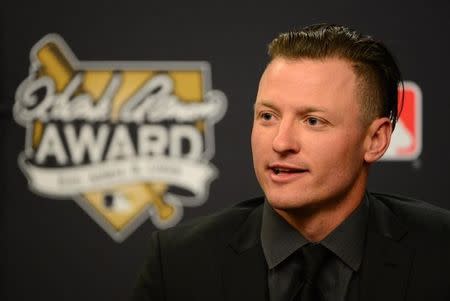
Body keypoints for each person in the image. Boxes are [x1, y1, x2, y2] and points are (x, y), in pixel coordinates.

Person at [132, 24, 450, 301]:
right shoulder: (178, 263)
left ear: (376, 140)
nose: (281, 143)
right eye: (268, 116)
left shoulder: (440, 252)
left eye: (313, 121)